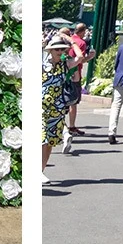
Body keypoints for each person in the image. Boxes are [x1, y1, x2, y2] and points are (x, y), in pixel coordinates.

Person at [41, 32, 79, 182]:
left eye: (62, 49)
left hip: (57, 107)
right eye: (57, 49)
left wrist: (70, 40)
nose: (60, 52)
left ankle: (40, 170)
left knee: (50, 141)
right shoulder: (42, 63)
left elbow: (80, 57)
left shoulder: (65, 64)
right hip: (41, 106)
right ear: (50, 50)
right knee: (42, 138)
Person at [63, 23, 93, 150]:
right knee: (73, 102)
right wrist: (90, 57)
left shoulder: (68, 44)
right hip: (73, 75)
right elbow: (79, 59)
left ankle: (66, 129)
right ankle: (71, 126)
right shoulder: (80, 43)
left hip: (63, 77)